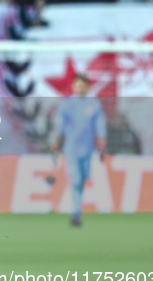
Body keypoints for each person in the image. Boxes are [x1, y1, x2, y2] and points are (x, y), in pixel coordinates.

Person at [54, 74, 107, 227]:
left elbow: (100, 125)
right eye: (77, 85)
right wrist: (56, 144)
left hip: (88, 148)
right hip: (71, 148)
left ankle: (77, 210)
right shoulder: (66, 105)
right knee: (76, 180)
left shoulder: (94, 105)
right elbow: (60, 126)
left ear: (87, 87)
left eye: (82, 85)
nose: (80, 88)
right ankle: (75, 213)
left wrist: (102, 143)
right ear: (73, 87)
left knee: (83, 179)